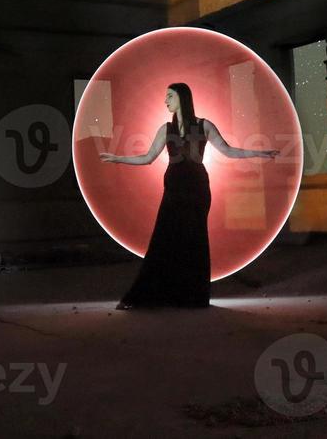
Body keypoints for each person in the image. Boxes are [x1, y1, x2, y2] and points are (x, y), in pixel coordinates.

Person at [100, 82, 279, 309]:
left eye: (169, 96)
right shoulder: (165, 129)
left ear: (182, 98)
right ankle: (155, 295)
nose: (165, 101)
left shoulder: (204, 126)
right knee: (165, 238)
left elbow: (228, 151)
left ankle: (193, 297)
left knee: (195, 238)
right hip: (174, 187)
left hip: (197, 188)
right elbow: (147, 158)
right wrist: (118, 159)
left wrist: (259, 153)